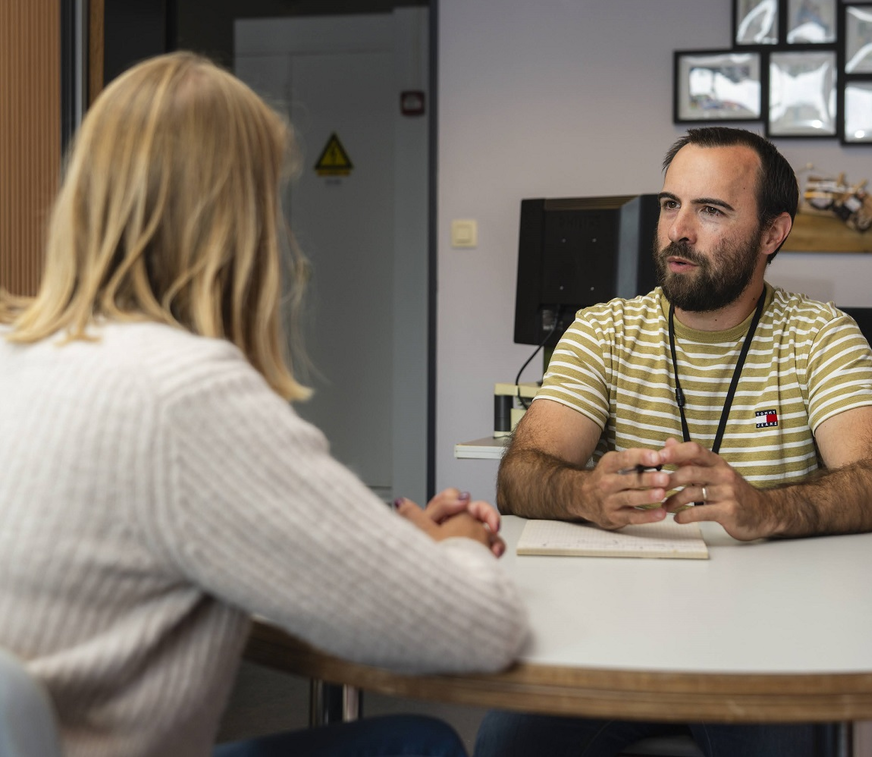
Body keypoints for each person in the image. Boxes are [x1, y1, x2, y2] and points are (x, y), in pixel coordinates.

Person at [0, 52, 528, 757]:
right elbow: (480, 626)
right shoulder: (184, 394)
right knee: (418, 743)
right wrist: (458, 548)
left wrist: (383, 544)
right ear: (239, 224)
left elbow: (147, 533)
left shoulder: (19, 350)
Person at [476, 126, 872, 757]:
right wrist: (582, 492)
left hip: (771, 644)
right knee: (504, 743)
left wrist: (771, 509)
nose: (679, 229)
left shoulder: (822, 336)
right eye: (669, 204)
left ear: (773, 233)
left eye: (710, 210)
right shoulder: (603, 330)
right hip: (616, 636)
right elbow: (519, 474)